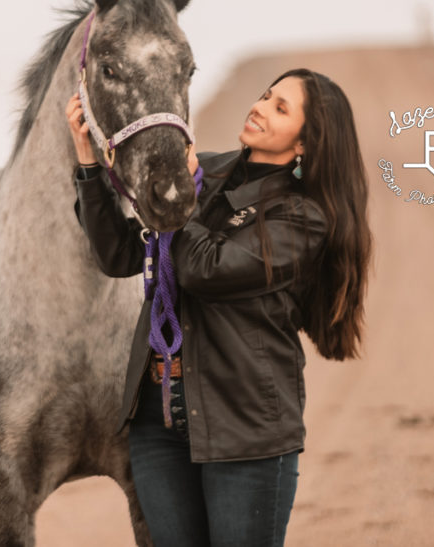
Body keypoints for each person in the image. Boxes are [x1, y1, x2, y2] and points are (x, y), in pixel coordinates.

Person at [66, 68, 371, 547]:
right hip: (158, 420)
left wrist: (181, 196)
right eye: (265, 95)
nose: (260, 106)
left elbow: (206, 268)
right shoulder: (206, 171)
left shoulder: (304, 215)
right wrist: (88, 165)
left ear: (306, 143)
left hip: (244, 427)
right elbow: (119, 254)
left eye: (280, 107)